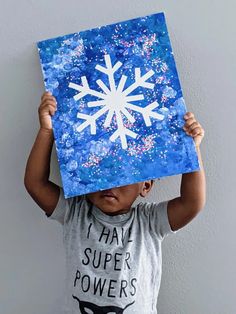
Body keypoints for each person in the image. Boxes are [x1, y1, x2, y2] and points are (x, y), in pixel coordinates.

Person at [24, 91, 206, 313]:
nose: (110, 184)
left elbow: (192, 203)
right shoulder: (76, 212)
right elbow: (36, 184)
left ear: (146, 186)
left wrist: (192, 150)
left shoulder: (148, 222)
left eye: (123, 175)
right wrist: (47, 131)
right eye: (102, 170)